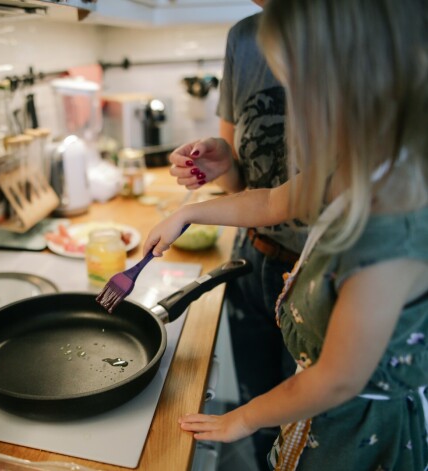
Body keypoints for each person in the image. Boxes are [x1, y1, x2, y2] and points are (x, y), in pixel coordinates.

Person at [146, 0, 427, 469]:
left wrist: (246, 418)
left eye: (302, 90)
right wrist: (189, 213)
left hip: (357, 436)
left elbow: (337, 379)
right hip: (317, 416)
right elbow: (272, 201)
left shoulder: (390, 234)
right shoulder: (356, 165)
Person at [168, 2, 300, 467]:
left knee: (307, 432)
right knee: (260, 417)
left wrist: (194, 214)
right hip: (255, 260)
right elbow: (253, 189)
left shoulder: (371, 29)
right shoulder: (245, 38)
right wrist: (221, 162)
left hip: (325, 276)